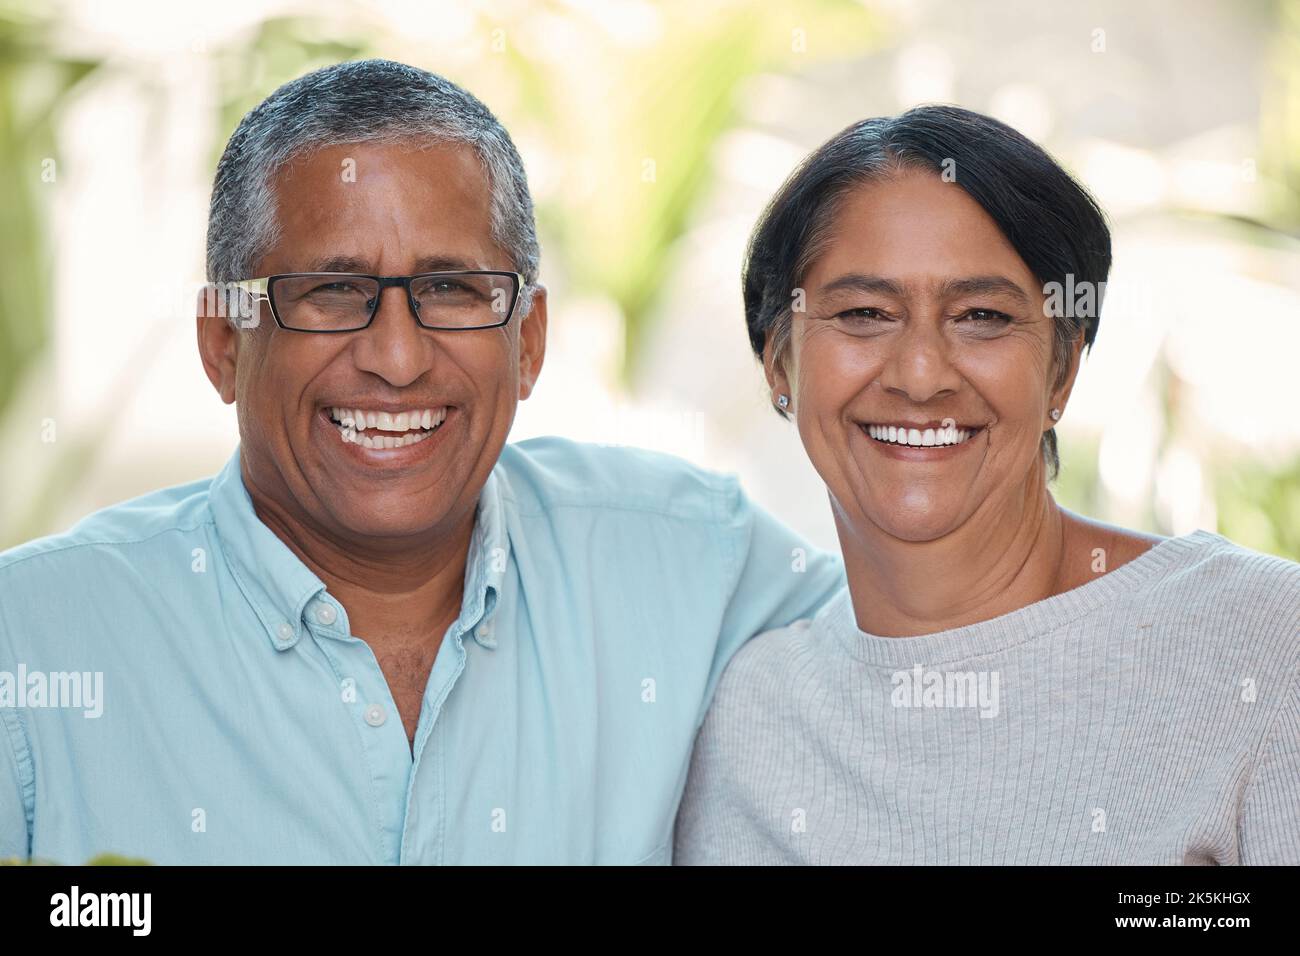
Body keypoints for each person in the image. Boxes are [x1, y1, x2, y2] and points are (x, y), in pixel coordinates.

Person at [0, 59, 843, 865]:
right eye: (330, 291)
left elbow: (936, 648)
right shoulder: (31, 645)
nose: (396, 358)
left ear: (529, 341)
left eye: (450, 289)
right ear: (223, 343)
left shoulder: (692, 564)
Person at [673, 105, 1300, 865]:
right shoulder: (749, 716)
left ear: (1062, 370)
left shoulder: (1264, 647)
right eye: (866, 313)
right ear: (780, 365)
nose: (921, 374)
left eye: (981, 316)